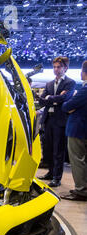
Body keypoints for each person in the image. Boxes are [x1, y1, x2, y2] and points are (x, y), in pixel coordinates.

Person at [37, 56, 76, 187]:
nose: (56, 69)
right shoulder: (48, 84)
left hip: (60, 121)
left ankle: (57, 177)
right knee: (48, 148)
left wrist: (51, 98)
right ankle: (50, 172)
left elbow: (65, 98)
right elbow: (42, 100)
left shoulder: (70, 83)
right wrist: (54, 98)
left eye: (59, 67)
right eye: (54, 67)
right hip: (48, 120)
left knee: (58, 150)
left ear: (65, 68)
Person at [60, 60, 87, 201]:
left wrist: (67, 102)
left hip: (78, 130)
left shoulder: (84, 89)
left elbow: (66, 106)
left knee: (77, 160)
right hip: (82, 129)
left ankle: (81, 190)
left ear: (83, 72)